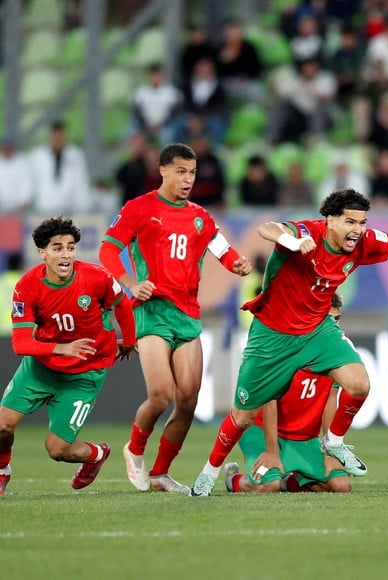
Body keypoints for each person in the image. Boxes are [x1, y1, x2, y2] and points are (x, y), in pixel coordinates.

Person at [189, 188, 388, 496]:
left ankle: (334, 441)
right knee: (242, 416)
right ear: (330, 220)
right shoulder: (306, 234)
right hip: (272, 335)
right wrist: (292, 241)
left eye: (362, 222)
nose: (358, 230)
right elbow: (268, 228)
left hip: (316, 329)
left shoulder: (364, 243)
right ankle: (209, 473)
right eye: (350, 222)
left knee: (359, 384)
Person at [99, 143, 253, 494]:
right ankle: (134, 449)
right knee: (160, 395)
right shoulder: (139, 208)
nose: (187, 180)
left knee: (187, 401)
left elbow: (221, 248)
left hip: (187, 316)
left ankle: (160, 473)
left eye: (193, 173)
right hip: (152, 312)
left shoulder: (199, 215)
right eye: (181, 171)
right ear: (163, 170)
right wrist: (130, 284)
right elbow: (108, 249)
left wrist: (237, 264)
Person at [0, 216, 137, 495]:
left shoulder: (96, 276)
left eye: (70, 247)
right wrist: (61, 348)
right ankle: (2, 470)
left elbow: (122, 304)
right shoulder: (27, 287)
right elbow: (21, 343)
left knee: (57, 450)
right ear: (42, 253)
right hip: (41, 368)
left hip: (83, 374)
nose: (66, 254)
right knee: (2, 426)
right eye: (57, 248)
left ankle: (96, 454)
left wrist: (129, 340)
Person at [224, 294, 353, 494]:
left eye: (337, 319)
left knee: (340, 485)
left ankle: (290, 481)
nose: (333, 326)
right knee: (268, 485)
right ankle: (234, 479)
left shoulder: (338, 347)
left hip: (303, 439)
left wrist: (330, 453)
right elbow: (269, 398)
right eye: (327, 319)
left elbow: (330, 399)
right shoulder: (286, 340)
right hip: (262, 432)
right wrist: (272, 451)